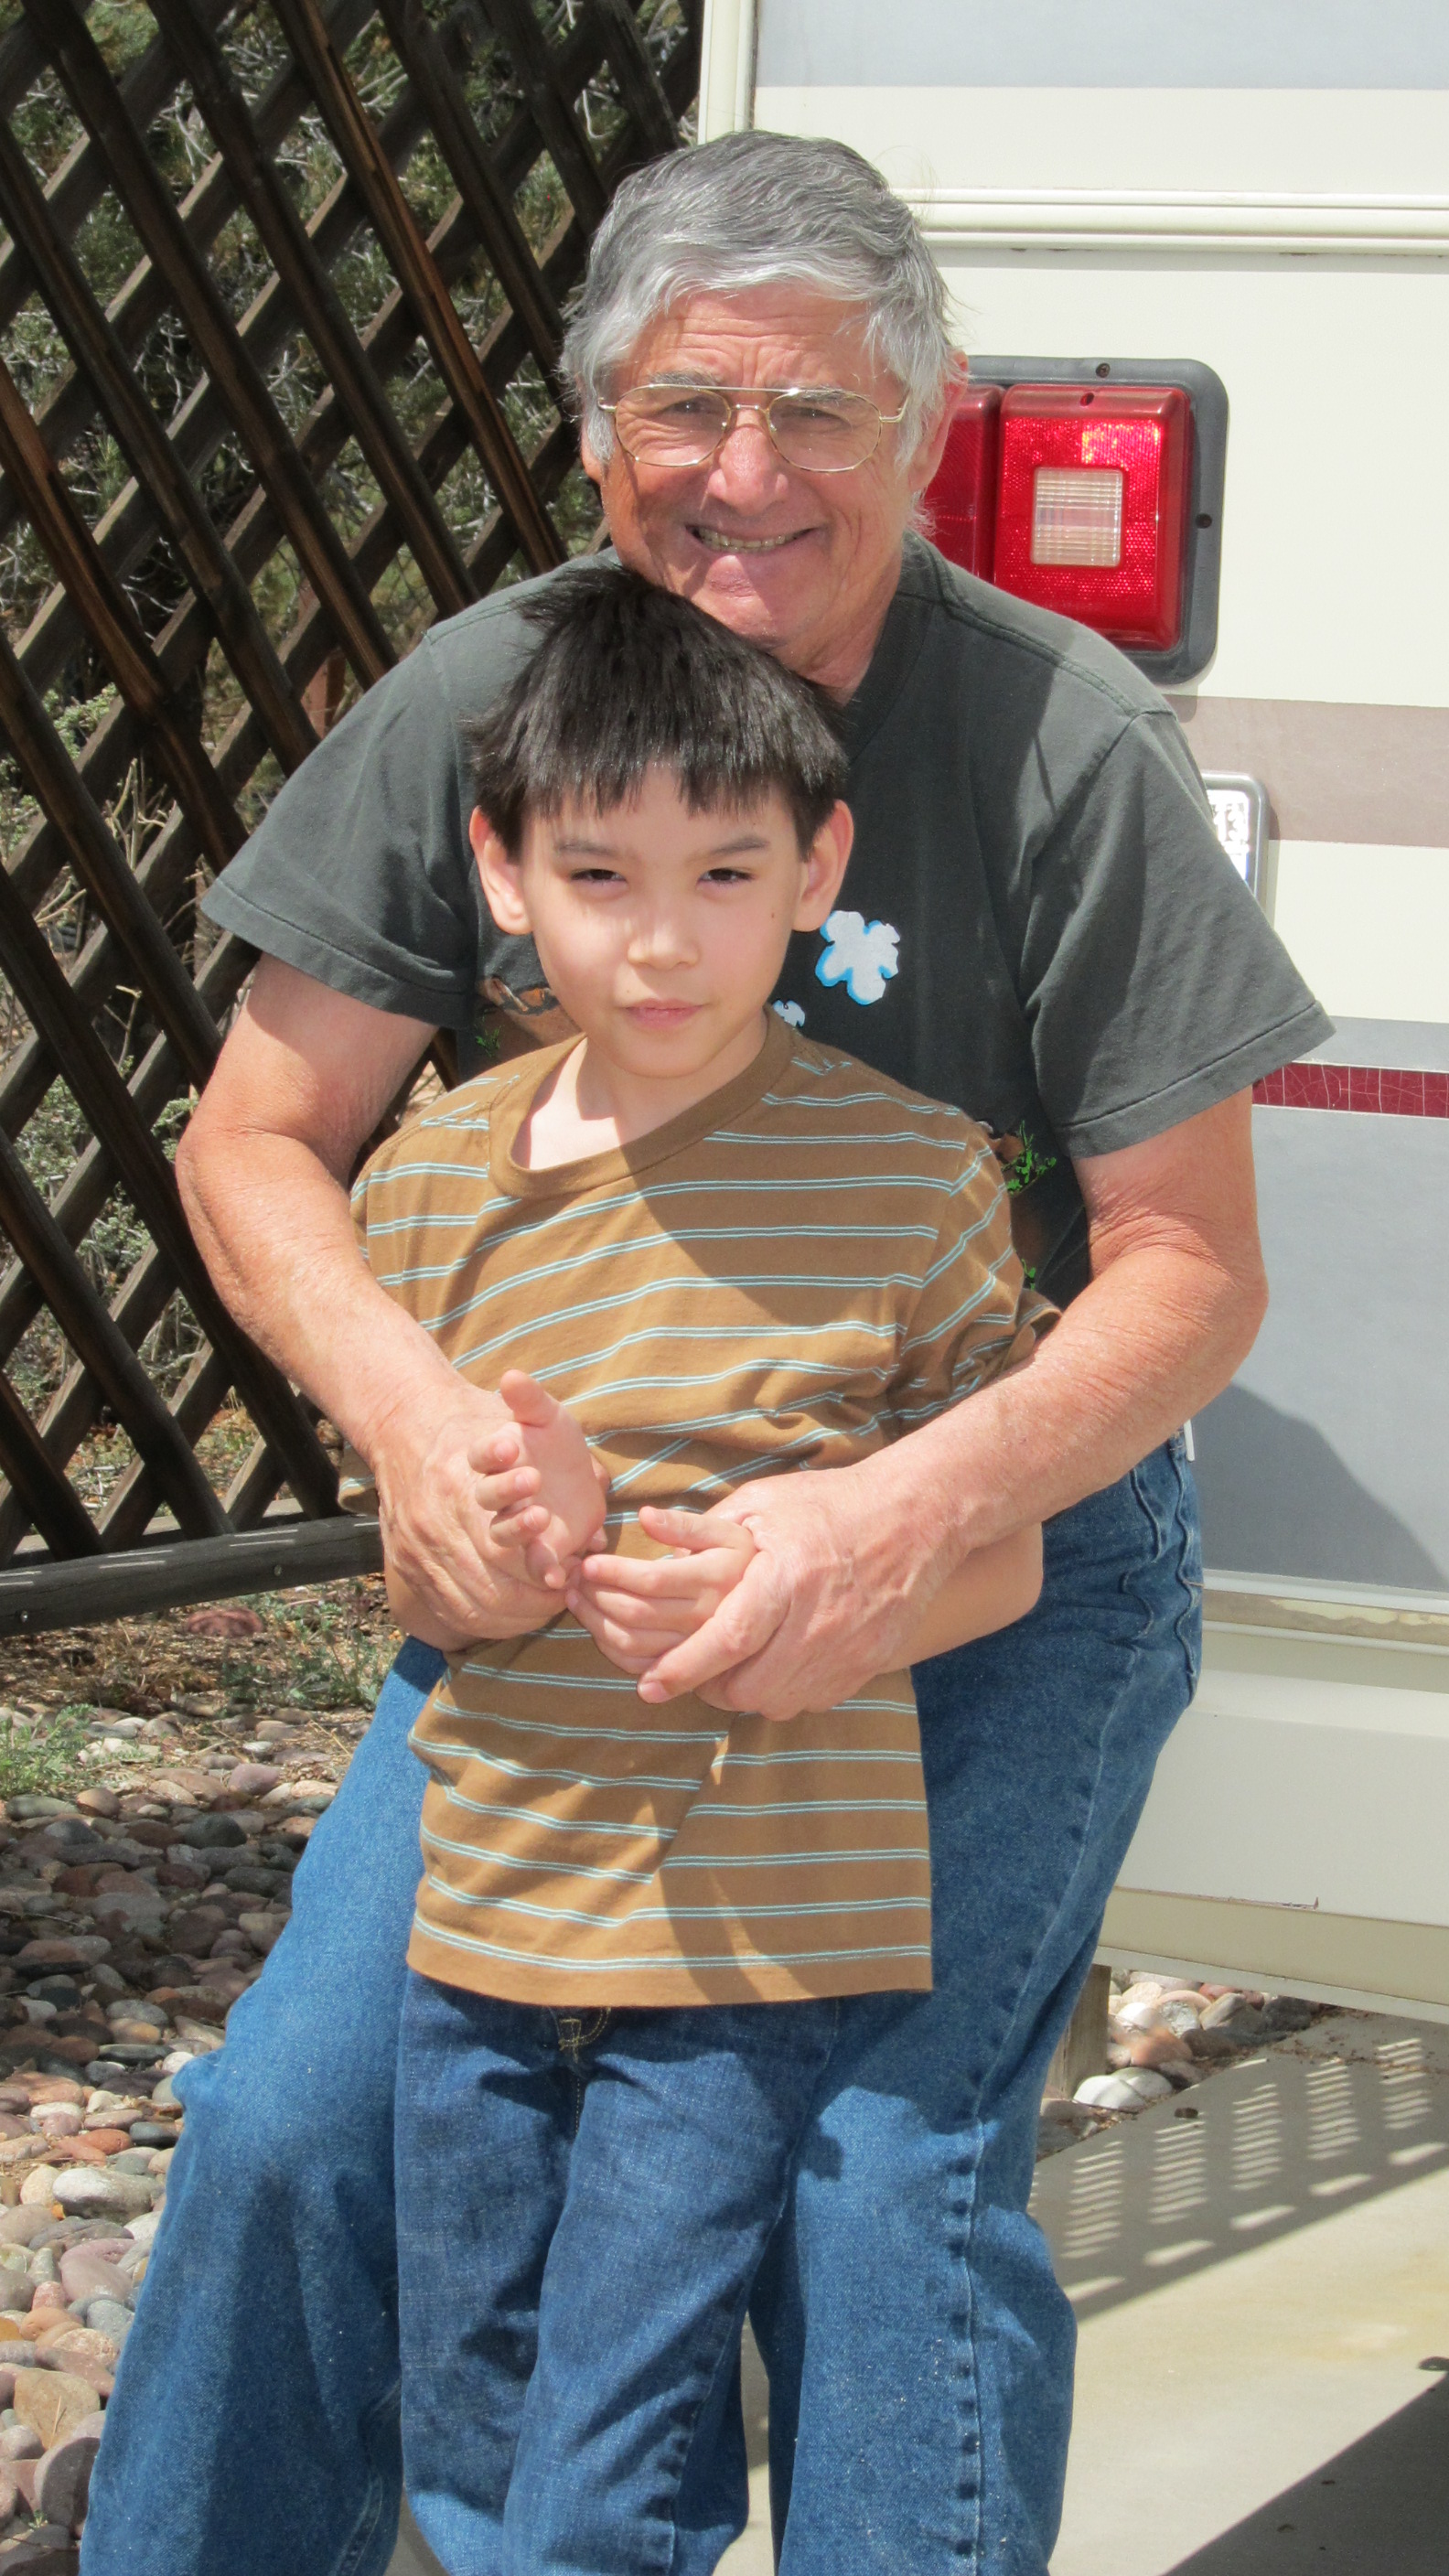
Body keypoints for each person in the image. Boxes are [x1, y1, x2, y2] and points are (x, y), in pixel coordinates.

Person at [82, 131, 1329, 2576]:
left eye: (814, 418)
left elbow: (1192, 1268)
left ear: (925, 423)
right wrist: (417, 1412)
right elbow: (256, 1138)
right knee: (296, 2130)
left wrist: (889, 1511)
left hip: (989, 1573)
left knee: (875, 2172)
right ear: (590, 431)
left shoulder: (1064, 739)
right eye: (683, 411)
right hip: (580, 1599)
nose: (741, 479)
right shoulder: (491, 695)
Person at [357, 566, 1046, 2573]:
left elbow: (995, 1561)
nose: (663, 940)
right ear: (501, 873)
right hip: (484, 1918)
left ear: (818, 865)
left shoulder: (915, 1178)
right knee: (472, 2419)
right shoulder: (423, 1188)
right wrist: (513, 1539)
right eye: (599, 874)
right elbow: (428, 1602)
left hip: (746, 1944)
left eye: (727, 873)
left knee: (615, 2442)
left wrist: (793, 1607)